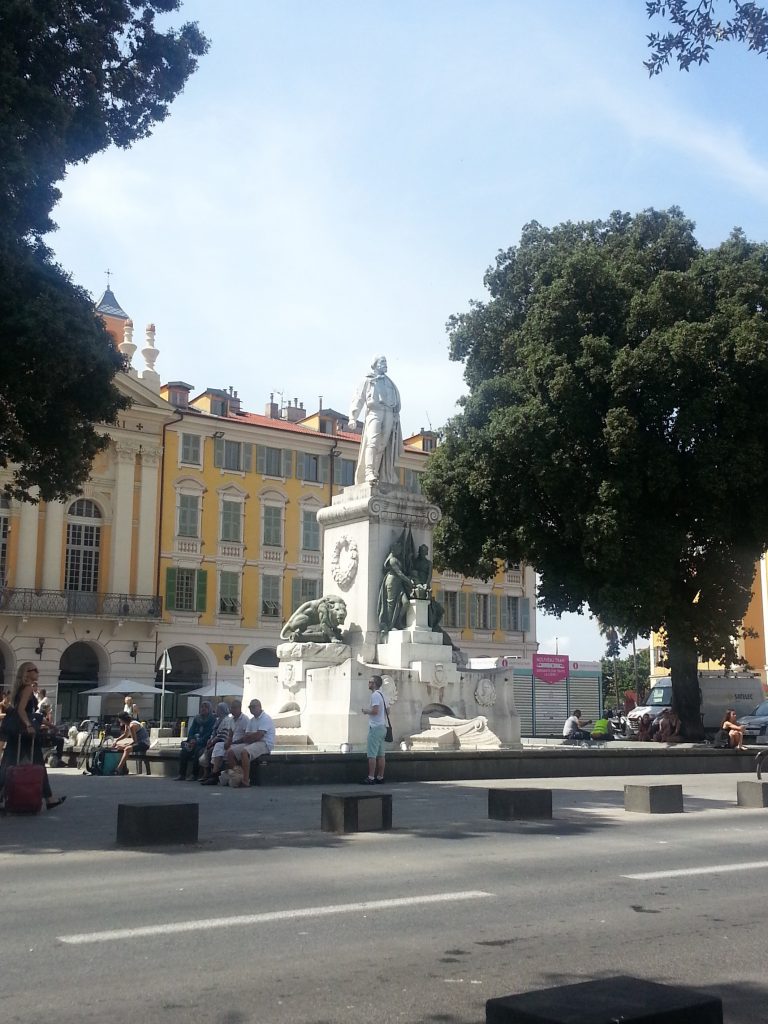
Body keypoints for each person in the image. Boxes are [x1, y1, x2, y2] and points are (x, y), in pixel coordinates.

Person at [0, 662, 65, 810]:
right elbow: (22, 711)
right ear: (26, 673)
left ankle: (48, 798)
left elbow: (31, 714)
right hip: (25, 733)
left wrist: (51, 725)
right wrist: (29, 725)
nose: (37, 671)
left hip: (17, 732)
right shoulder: (28, 688)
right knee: (37, 763)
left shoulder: (20, 689)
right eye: (34, 670)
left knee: (8, 763)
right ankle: (49, 799)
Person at [348, 355, 403, 485]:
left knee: (383, 444)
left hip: (389, 413)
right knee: (372, 441)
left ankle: (376, 472)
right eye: (382, 361)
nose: (385, 364)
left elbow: (396, 400)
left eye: (386, 362)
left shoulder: (390, 382)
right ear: (375, 364)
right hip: (374, 412)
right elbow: (358, 398)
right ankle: (368, 472)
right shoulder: (367, 380)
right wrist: (352, 417)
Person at [228, 698, 275, 788]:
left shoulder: (266, 718)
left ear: (259, 707)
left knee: (244, 752)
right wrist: (254, 735)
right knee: (230, 752)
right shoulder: (252, 720)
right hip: (253, 742)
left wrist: (252, 735)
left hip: (264, 743)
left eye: (253, 707)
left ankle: (246, 781)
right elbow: (247, 736)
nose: (251, 709)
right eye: (250, 707)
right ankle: (238, 776)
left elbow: (259, 736)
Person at [201, 699, 249, 785]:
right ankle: (215, 773)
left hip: (241, 743)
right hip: (233, 742)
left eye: (234, 708)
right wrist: (228, 742)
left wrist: (233, 743)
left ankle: (218, 775)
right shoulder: (231, 720)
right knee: (219, 746)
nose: (232, 710)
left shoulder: (245, 719)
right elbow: (230, 734)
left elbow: (246, 736)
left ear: (239, 708)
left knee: (225, 750)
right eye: (231, 708)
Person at [175, 701, 215, 781]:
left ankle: (194, 774)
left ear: (209, 709)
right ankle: (181, 774)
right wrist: (192, 738)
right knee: (184, 751)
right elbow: (191, 730)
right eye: (202, 707)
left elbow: (209, 734)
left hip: (203, 743)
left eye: (205, 707)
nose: (203, 709)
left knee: (198, 751)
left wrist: (197, 742)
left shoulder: (212, 720)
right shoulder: (197, 718)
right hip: (193, 742)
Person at [361, 675, 388, 784]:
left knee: (372, 754)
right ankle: (380, 777)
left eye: (370, 682)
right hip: (383, 727)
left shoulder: (375, 695)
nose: (368, 683)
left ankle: (371, 777)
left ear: (374, 684)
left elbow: (375, 711)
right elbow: (388, 711)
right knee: (381, 755)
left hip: (375, 727)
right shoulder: (383, 695)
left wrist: (366, 711)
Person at [198, 702, 231, 782]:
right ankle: (205, 773)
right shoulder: (218, 720)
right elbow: (214, 732)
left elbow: (223, 734)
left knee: (210, 751)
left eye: (218, 709)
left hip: (221, 742)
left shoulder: (227, 720)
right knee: (201, 751)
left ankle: (211, 773)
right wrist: (210, 740)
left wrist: (212, 742)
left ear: (222, 710)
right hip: (215, 742)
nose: (216, 710)